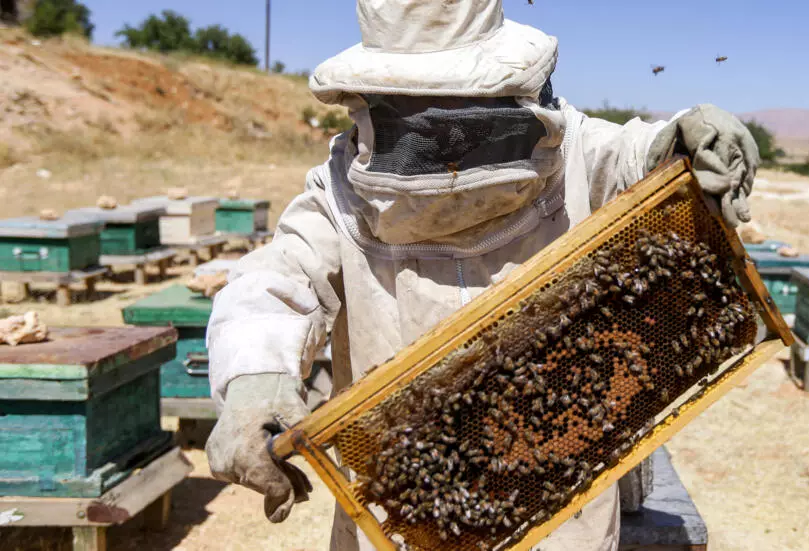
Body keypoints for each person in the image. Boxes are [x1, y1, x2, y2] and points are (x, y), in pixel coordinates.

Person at [204, 1, 759, 549]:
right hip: (412, 511)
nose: (449, 138)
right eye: (423, 112)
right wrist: (255, 376)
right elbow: (275, 281)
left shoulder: (576, 150)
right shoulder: (338, 193)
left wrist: (681, 146)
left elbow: (636, 157)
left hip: (564, 508)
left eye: (463, 108)